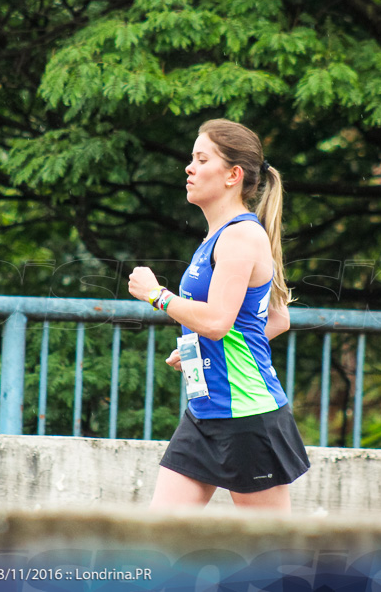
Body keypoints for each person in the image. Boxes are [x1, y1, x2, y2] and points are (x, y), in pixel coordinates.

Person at [128, 118, 310, 511]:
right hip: (205, 412)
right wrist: (202, 348)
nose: (189, 168)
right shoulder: (218, 236)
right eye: (191, 159)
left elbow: (217, 321)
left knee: (273, 560)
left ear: (233, 175)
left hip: (248, 416)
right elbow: (276, 320)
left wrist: (156, 295)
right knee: (159, 539)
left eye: (201, 159)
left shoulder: (242, 236)